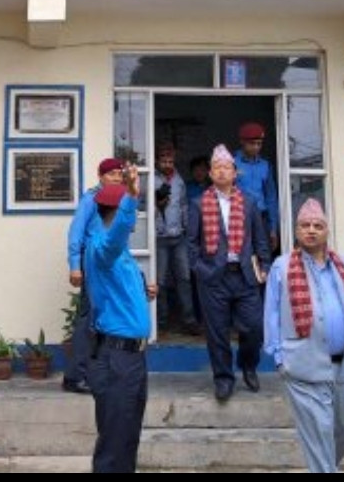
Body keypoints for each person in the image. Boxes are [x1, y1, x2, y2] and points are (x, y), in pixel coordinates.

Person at [264, 198, 344, 474]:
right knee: (319, 431)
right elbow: (272, 313)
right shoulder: (282, 266)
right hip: (303, 364)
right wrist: (279, 356)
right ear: (297, 231)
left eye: (317, 225)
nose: (311, 230)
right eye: (305, 225)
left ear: (327, 231)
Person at [83, 167, 156, 474]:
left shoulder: (120, 252)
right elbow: (113, 241)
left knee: (127, 439)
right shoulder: (102, 246)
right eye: (128, 213)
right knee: (114, 445)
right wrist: (131, 198)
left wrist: (143, 291)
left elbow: (118, 290)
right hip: (116, 358)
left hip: (132, 357)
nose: (133, 221)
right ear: (115, 213)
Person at [187, 144, 271, 401]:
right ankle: (223, 378)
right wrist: (200, 269)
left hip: (245, 275)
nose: (222, 172)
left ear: (235, 173)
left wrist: (265, 267)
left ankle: (248, 365)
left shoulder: (249, 202)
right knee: (217, 332)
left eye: (226, 167)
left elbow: (260, 239)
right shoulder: (198, 204)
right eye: (217, 168)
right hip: (213, 277)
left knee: (254, 327)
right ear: (211, 174)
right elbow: (191, 244)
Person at [63, 156, 127, 394]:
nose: (116, 178)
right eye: (111, 174)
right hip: (92, 264)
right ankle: (75, 377)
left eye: (119, 174)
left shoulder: (121, 199)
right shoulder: (91, 199)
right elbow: (76, 233)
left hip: (110, 265)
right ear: (101, 176)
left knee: (105, 319)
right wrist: (75, 265)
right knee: (88, 321)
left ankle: (96, 372)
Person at [153, 145, 200, 335]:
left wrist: (188, 231)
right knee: (161, 281)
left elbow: (184, 206)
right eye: (163, 161)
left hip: (179, 236)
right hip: (159, 237)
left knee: (185, 278)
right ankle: (161, 321)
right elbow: (141, 205)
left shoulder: (179, 181)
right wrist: (157, 204)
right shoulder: (151, 178)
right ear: (157, 161)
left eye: (170, 161)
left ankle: (189, 320)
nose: (167, 164)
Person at [234, 121, 280, 256]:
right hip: (239, 216)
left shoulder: (265, 165)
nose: (256, 147)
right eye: (252, 143)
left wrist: (273, 228)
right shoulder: (232, 163)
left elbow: (271, 198)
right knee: (242, 255)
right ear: (242, 142)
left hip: (261, 216)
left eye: (259, 144)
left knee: (264, 255)